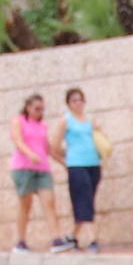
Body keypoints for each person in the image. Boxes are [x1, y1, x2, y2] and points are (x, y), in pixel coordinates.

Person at [51, 86, 104, 253]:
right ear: (68, 103)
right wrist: (66, 160)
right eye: (73, 100)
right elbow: (54, 146)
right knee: (84, 199)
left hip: (93, 163)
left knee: (88, 200)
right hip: (76, 164)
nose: (77, 103)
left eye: (80, 99)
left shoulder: (90, 120)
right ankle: (92, 239)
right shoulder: (65, 121)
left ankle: (72, 237)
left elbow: (97, 138)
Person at [8, 93, 56, 253]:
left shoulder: (43, 126)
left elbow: (47, 148)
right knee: (25, 205)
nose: (39, 112)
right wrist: (29, 154)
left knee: (49, 201)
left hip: (42, 168)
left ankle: (56, 239)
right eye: (36, 108)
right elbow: (17, 140)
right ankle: (20, 241)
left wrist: (64, 161)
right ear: (28, 107)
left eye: (42, 109)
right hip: (23, 167)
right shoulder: (19, 121)